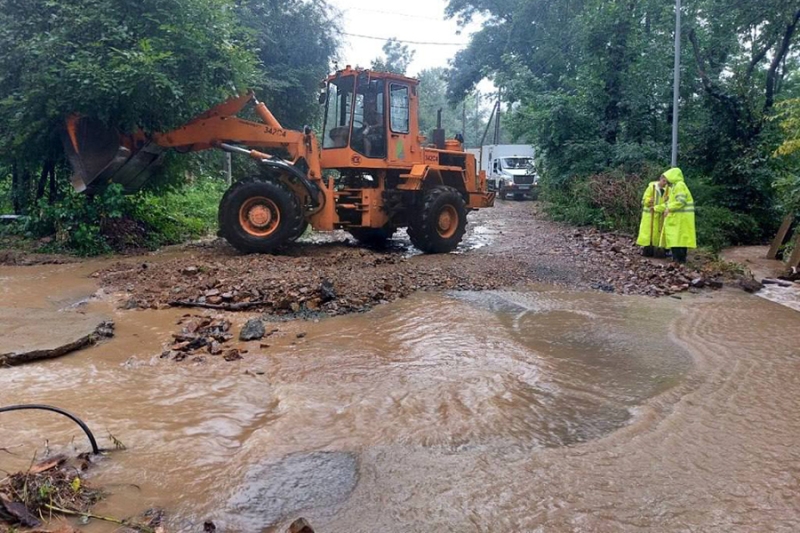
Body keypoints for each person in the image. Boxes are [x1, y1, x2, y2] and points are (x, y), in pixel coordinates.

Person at [654, 167, 696, 263]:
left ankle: (678, 261)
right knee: (680, 240)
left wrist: (669, 208)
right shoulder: (676, 186)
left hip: (680, 218)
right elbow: (670, 203)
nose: (666, 180)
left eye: (667, 178)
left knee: (676, 240)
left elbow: (681, 201)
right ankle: (680, 261)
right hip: (680, 218)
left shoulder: (679, 186)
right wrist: (657, 208)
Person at [636, 174, 669, 257]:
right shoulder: (651, 188)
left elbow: (668, 202)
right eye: (663, 181)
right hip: (650, 215)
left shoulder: (668, 190)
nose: (665, 183)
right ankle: (648, 250)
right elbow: (644, 200)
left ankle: (658, 250)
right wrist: (648, 201)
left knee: (658, 233)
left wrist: (659, 208)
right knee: (649, 234)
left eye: (666, 181)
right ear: (660, 179)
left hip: (660, 215)